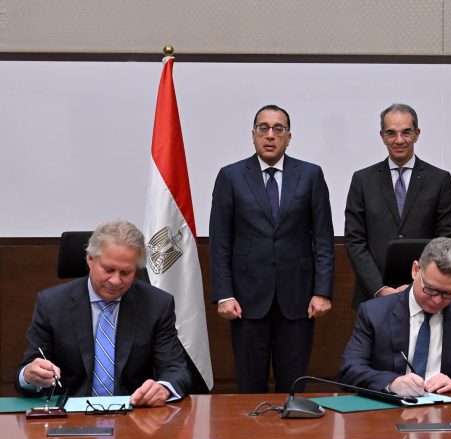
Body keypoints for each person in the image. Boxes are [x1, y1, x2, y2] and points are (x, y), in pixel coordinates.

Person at [209, 104, 335, 393]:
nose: (270, 135)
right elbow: (220, 241)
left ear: (289, 137)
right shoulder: (231, 176)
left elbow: (324, 239)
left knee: (293, 386)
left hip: (299, 300)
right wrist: (224, 294)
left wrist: (322, 291)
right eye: (263, 128)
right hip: (246, 300)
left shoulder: (310, 175)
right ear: (253, 134)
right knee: (249, 387)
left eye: (278, 129)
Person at [16, 220, 191, 406]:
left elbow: (175, 369)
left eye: (126, 273)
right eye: (108, 270)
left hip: (134, 412)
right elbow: (27, 370)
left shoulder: (156, 305)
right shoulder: (52, 304)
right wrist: (29, 375)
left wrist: (163, 388)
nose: (115, 281)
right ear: (90, 259)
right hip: (69, 414)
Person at [338, 237, 451, 396]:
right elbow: (349, 371)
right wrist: (392, 383)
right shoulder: (375, 313)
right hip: (391, 411)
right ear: (415, 270)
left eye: (449, 293)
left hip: (448, 411)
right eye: (431, 289)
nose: (437, 300)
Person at [344, 103, 451, 309]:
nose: (399, 140)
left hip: (428, 293)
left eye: (406, 132)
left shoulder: (439, 180)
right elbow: (355, 240)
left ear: (417, 134)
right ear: (382, 136)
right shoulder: (362, 180)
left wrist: (420, 285)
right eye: (391, 133)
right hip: (373, 296)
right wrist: (379, 288)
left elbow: (446, 240)